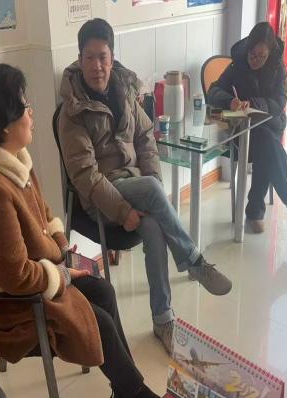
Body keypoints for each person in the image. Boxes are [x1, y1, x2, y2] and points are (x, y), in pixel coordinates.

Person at [0, 63, 159, 398]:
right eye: (24, 105)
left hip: (35, 276)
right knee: (97, 320)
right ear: (4, 123)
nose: (32, 113)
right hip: (8, 307)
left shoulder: (14, 161)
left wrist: (63, 251)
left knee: (102, 291)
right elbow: (17, 277)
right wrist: (62, 274)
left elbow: (46, 214)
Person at [58, 18, 232, 354]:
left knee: (153, 226)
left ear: (112, 58)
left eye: (103, 57)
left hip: (136, 184)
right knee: (151, 190)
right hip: (99, 198)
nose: (97, 66)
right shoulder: (73, 112)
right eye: (89, 58)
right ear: (80, 60)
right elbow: (85, 176)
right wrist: (124, 210)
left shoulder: (123, 92)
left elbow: (145, 138)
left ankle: (162, 319)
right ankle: (194, 261)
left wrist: (150, 183)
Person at [207, 22, 287, 233]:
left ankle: (256, 211)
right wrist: (230, 101)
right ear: (247, 49)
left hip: (270, 126)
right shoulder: (238, 64)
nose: (255, 60)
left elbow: (280, 101)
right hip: (243, 131)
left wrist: (254, 104)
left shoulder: (278, 68)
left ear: (270, 53)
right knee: (267, 145)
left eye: (261, 56)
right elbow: (213, 91)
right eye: (252, 54)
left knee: (265, 142)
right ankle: (281, 204)